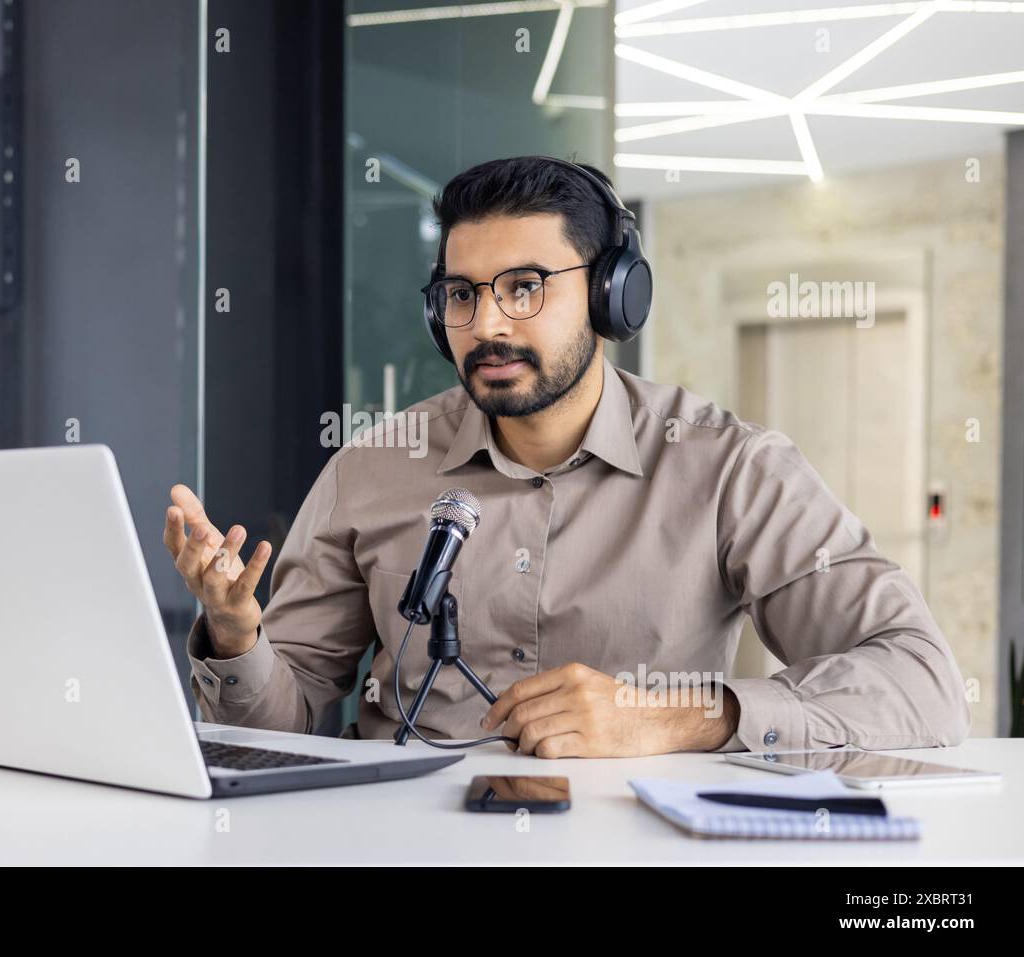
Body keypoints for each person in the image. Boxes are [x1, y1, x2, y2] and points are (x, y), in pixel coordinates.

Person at [163, 155, 970, 758]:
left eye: (525, 285)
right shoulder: (371, 469)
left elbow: (922, 684)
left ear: (615, 294)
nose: (486, 324)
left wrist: (673, 715)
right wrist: (237, 640)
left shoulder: (730, 468)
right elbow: (280, 730)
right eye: (461, 293)